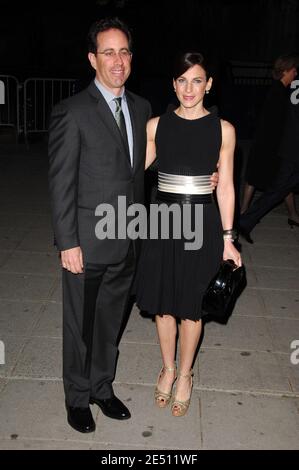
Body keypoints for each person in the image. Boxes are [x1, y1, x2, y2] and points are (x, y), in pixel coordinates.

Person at [48, 17, 152, 433]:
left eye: (124, 51)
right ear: (93, 59)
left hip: (127, 241)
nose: (117, 60)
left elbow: (140, 169)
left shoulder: (142, 108)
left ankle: (101, 387)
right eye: (108, 52)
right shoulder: (71, 112)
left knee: (111, 322)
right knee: (80, 325)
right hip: (87, 243)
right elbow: (60, 184)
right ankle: (76, 397)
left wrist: (204, 178)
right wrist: (67, 242)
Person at [133, 52, 242, 417]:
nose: (189, 88)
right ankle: (167, 367)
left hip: (202, 223)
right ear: (173, 84)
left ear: (209, 84)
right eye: (182, 80)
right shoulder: (155, 127)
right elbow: (130, 172)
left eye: (197, 80)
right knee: (164, 303)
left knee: (192, 306)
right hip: (163, 221)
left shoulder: (223, 130)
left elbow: (225, 187)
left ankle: (186, 374)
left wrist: (228, 239)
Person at [240, 54, 299, 234]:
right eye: (294, 70)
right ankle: (245, 216)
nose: (296, 73)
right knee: (274, 184)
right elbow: (273, 124)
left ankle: (246, 216)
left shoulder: (281, 90)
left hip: (273, 146)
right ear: (286, 71)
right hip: (272, 146)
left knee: (278, 184)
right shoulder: (279, 92)